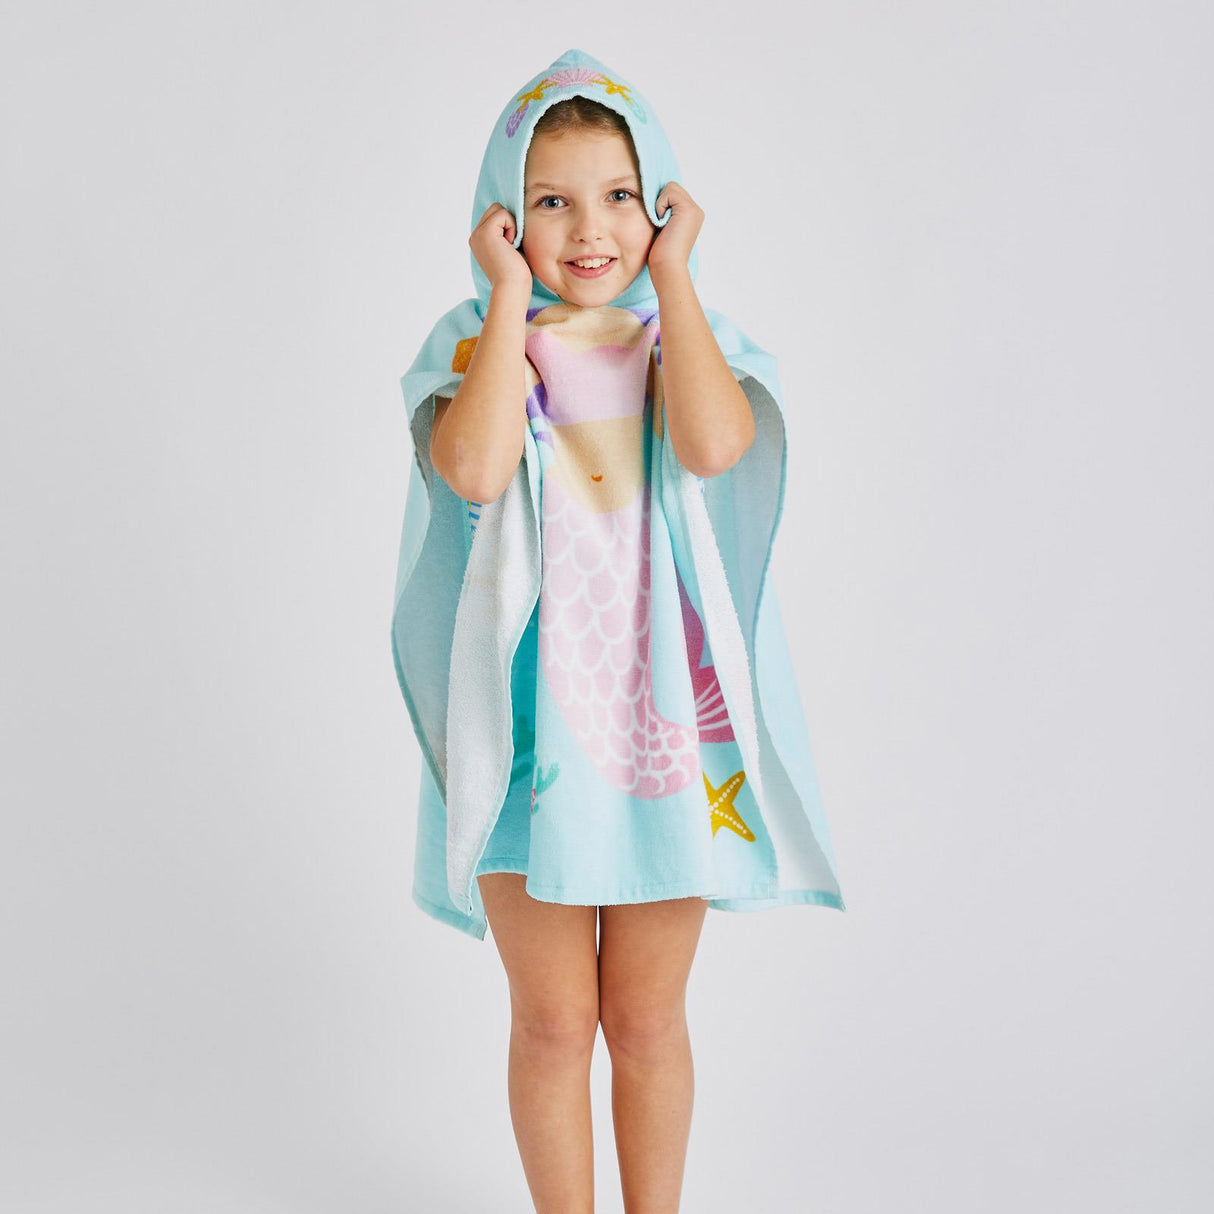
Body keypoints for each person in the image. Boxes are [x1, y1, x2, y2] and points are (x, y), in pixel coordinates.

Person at [391, 47, 846, 1212]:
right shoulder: (473, 345)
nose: (588, 228)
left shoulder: (683, 337)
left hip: (660, 733)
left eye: (617, 196)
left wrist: (675, 279)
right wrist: (505, 300)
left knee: (644, 1017)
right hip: (524, 733)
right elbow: (474, 468)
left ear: (660, 206)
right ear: (503, 216)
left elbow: (712, 443)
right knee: (552, 1020)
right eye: (550, 200)